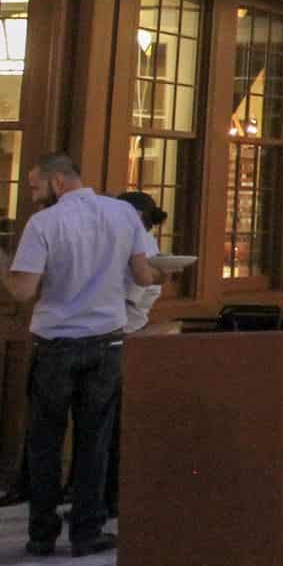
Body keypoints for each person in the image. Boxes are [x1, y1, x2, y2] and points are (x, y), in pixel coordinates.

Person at [2, 151, 158, 559]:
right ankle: (87, 531)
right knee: (95, 439)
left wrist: (1, 270)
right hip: (106, 341)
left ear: (57, 182)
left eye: (34, 186)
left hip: (55, 342)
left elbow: (23, 290)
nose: (32, 195)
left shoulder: (44, 223)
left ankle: (42, 532)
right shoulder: (123, 214)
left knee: (45, 441)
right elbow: (144, 275)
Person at [104, 192, 167, 520]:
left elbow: (139, 290)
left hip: (118, 336)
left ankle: (108, 496)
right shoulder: (139, 241)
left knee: (109, 422)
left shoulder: (138, 243)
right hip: (122, 332)